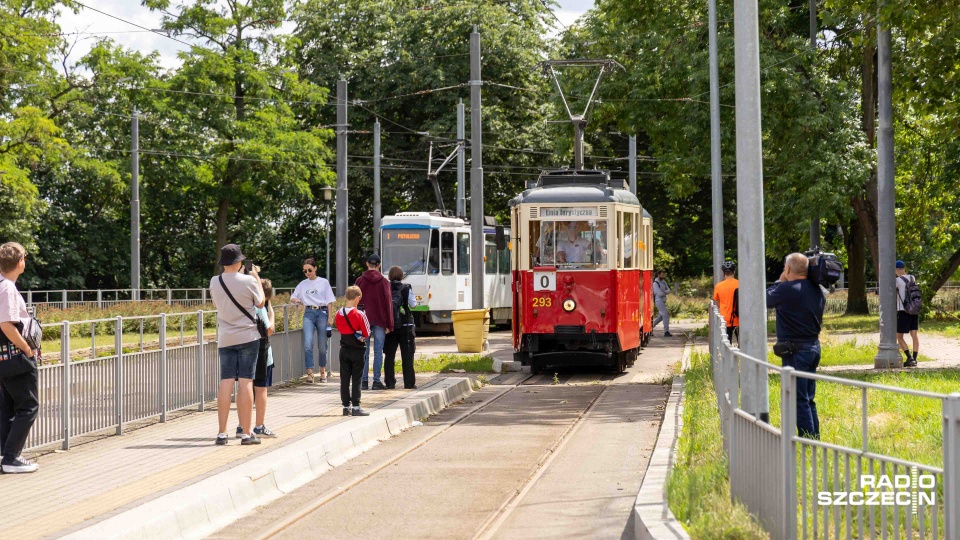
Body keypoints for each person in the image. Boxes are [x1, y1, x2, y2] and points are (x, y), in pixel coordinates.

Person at [210, 244, 265, 446]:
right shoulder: (249, 280)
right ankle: (246, 434)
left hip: (225, 337)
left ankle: (222, 433)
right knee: (245, 381)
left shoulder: (214, 281)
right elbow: (260, 303)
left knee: (226, 381)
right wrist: (256, 278)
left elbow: (218, 304)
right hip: (248, 337)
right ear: (239, 262)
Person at [767, 253, 826, 440]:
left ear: (788, 268)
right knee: (808, 398)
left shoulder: (787, 289)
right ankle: (814, 437)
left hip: (796, 352)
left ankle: (808, 441)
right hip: (813, 347)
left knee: (798, 399)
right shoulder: (817, 289)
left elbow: (765, 299)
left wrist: (780, 280)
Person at [0, 243, 39, 473]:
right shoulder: (7, 289)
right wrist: (27, 349)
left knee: (7, 406)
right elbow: (6, 324)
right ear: (20, 262)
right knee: (28, 406)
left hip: (3, 358)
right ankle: (11, 458)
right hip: (15, 357)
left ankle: (5, 454)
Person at [237, 278, 277, 438]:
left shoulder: (244, 304)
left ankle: (241, 425)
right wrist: (272, 314)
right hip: (261, 351)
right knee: (261, 388)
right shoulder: (261, 308)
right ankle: (259, 425)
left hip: (243, 348)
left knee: (243, 387)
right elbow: (269, 329)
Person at [290, 258, 335, 383]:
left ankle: (322, 371)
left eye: (310, 270)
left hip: (322, 312)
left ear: (315, 268)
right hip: (308, 313)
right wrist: (297, 301)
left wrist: (330, 318)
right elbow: (292, 297)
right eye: (305, 271)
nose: (307, 273)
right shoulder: (303, 284)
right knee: (308, 344)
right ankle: (310, 373)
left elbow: (330, 301)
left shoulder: (324, 282)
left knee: (322, 345)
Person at [355, 254, 394, 390]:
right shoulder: (384, 282)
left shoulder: (359, 281)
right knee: (378, 351)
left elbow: (354, 301)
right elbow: (388, 303)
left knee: (363, 351)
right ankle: (376, 381)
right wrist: (390, 324)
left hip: (363, 320)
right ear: (379, 265)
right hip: (380, 320)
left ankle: (363, 382)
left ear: (367, 264)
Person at [335, 286, 371, 416]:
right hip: (358, 350)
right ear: (358, 299)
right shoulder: (360, 314)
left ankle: (346, 407)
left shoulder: (338, 313)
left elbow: (339, 327)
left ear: (345, 297)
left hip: (344, 349)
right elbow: (367, 332)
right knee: (357, 378)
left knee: (344, 379)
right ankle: (356, 407)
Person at [383, 266, 418, 390]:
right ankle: (409, 383)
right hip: (406, 326)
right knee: (407, 355)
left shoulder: (385, 288)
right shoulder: (406, 288)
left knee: (389, 355)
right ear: (402, 276)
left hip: (390, 327)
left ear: (390, 277)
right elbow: (413, 305)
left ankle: (389, 383)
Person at [895, 260, 920, 367]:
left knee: (899, 337)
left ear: (896, 269)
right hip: (914, 309)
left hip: (903, 310)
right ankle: (914, 358)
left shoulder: (897, 281)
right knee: (914, 335)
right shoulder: (912, 277)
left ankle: (909, 358)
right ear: (904, 268)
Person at [713, 261, 740, 345]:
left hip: (725, 319)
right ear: (734, 272)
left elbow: (717, 303)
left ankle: (728, 358)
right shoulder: (740, 284)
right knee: (743, 343)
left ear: (723, 273)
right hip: (740, 318)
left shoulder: (719, 286)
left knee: (727, 344)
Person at [652, 270, 672, 337]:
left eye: (663, 275)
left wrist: (664, 292)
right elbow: (659, 293)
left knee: (661, 317)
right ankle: (666, 331)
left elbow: (669, 290)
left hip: (663, 300)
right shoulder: (655, 283)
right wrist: (665, 292)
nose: (663, 276)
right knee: (665, 315)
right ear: (658, 275)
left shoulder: (663, 282)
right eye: (662, 275)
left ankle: (650, 327)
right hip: (658, 301)